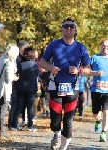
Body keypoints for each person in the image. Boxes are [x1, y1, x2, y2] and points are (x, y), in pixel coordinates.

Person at [40, 18, 90, 150]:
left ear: (75, 30)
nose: (69, 29)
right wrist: (51, 68)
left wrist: (78, 70)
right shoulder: (54, 45)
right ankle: (56, 134)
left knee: (68, 121)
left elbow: (88, 69)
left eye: (71, 27)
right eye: (66, 26)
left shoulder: (81, 47)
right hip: (55, 86)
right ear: (61, 29)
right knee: (55, 120)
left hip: (73, 88)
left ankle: (63, 148)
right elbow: (42, 62)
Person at [0, 43, 19, 138]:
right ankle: (2, 130)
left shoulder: (1, 59)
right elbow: (8, 78)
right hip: (5, 89)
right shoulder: (9, 63)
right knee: (3, 109)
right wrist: (15, 77)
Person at [11, 47, 39, 132]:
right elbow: (36, 74)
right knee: (29, 107)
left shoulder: (19, 64)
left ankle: (14, 125)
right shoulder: (34, 65)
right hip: (31, 87)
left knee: (19, 106)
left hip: (20, 87)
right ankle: (30, 125)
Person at [89, 40, 108, 142]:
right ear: (100, 47)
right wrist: (95, 73)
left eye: (107, 46)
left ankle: (103, 133)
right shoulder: (94, 58)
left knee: (106, 111)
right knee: (96, 113)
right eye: (103, 46)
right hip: (96, 90)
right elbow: (87, 71)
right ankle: (98, 121)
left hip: (107, 91)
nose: (105, 47)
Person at [8, 40, 29, 129]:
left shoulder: (18, 58)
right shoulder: (17, 59)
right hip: (16, 84)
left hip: (18, 84)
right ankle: (13, 123)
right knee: (15, 105)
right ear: (23, 49)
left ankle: (14, 122)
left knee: (17, 105)